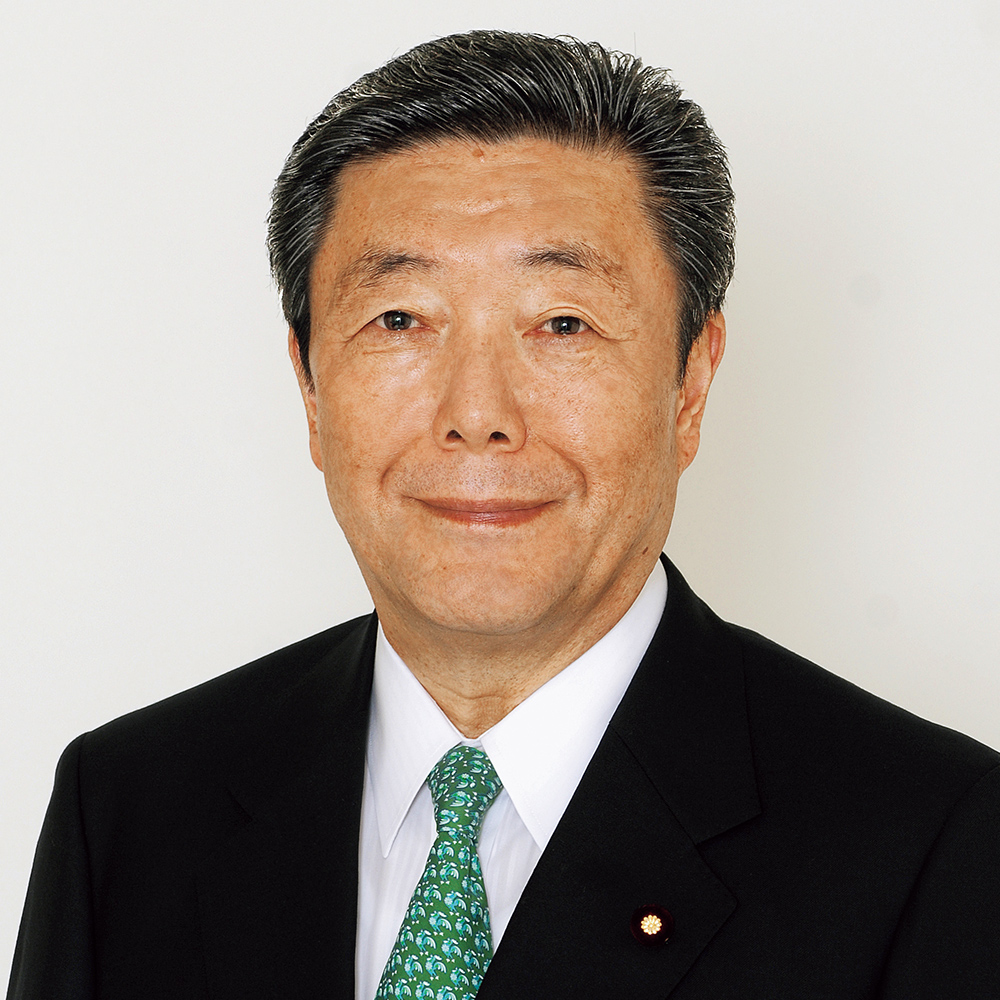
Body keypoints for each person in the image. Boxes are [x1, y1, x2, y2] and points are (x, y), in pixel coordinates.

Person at [8, 29, 999, 1000]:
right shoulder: (132, 806)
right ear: (309, 386)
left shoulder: (935, 842)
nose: (477, 414)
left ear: (690, 383)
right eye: (400, 319)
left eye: (562, 323)